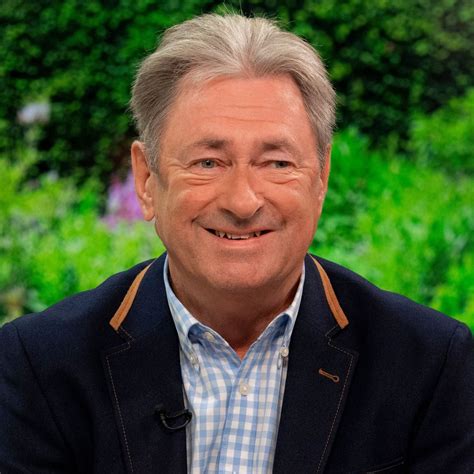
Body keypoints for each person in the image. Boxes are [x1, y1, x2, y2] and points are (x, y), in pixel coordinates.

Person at [0, 13, 473, 474]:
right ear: (146, 180)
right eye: (208, 163)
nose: (243, 201)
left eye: (277, 163)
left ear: (321, 178)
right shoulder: (40, 364)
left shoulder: (429, 364)